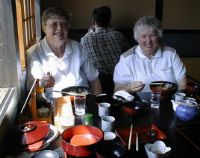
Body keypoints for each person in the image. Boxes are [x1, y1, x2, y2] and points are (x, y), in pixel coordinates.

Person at [27, 7, 102, 99]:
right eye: (54, 24)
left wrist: (97, 105)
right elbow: (31, 91)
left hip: (83, 103)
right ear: (44, 28)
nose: (59, 29)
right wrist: (41, 83)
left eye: (63, 24)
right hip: (55, 107)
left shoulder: (78, 47)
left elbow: (94, 79)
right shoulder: (34, 53)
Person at [113, 16, 187, 93]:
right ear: (137, 38)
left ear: (159, 36)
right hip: (140, 103)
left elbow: (182, 84)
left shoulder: (171, 54)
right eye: (143, 36)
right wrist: (129, 88)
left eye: (152, 35)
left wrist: (177, 101)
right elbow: (117, 90)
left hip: (170, 101)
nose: (148, 40)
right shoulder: (126, 59)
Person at [81, 6, 130, 95]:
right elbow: (128, 54)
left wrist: (90, 32)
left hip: (99, 82)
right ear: (109, 21)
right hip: (120, 79)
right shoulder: (119, 36)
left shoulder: (86, 39)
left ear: (93, 21)